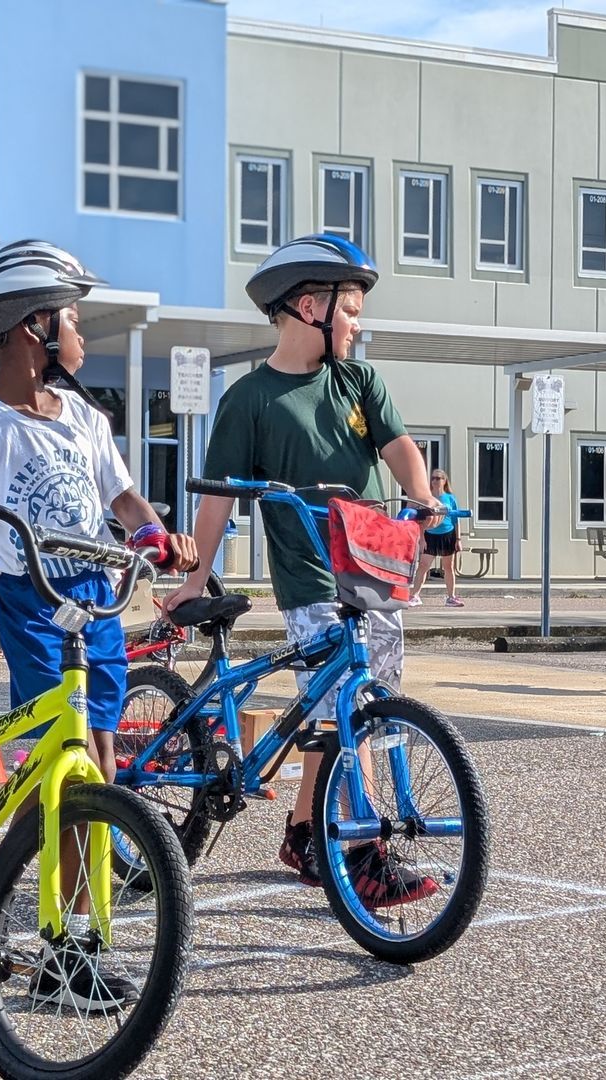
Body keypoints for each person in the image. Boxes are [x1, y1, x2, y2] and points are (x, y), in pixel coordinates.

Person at [0, 240, 197, 1011]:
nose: (83, 336)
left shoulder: (84, 419)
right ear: (35, 327)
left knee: (96, 764)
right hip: (27, 598)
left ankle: (69, 930)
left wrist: (160, 536)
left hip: (94, 597)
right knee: (70, 756)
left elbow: (124, 502)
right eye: (74, 320)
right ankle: (60, 943)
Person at [164, 233, 440, 908]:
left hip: (371, 565)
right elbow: (221, 493)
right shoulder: (251, 399)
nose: (357, 321)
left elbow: (397, 444)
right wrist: (198, 575)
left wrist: (421, 494)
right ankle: (363, 850)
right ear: (309, 306)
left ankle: (300, 831)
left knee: (346, 709)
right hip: (309, 576)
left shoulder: (358, 379)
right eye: (350, 307)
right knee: (350, 700)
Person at [410, 468, 464, 607]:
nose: (435, 481)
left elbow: (456, 519)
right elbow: (420, 520)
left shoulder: (450, 498)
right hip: (430, 534)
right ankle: (414, 595)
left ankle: (451, 597)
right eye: (433, 478)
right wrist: (421, 539)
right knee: (423, 566)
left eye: (438, 478)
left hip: (448, 533)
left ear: (444, 481)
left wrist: (458, 539)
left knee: (448, 567)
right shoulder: (427, 498)